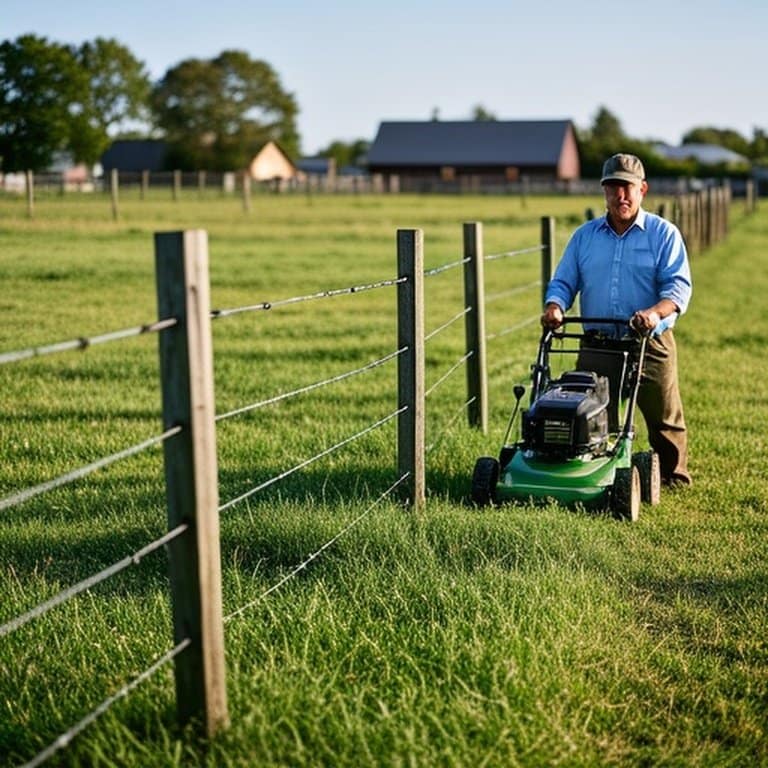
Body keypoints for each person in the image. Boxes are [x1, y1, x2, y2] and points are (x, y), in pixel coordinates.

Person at [541, 153, 693, 486]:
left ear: (643, 190)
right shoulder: (585, 236)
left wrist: (654, 313)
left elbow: (678, 290)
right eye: (612, 188)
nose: (620, 196)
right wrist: (555, 305)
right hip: (598, 342)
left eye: (627, 188)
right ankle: (593, 476)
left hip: (649, 341)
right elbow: (564, 281)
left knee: (665, 416)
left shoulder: (663, 235)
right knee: (591, 413)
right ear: (604, 191)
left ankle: (673, 475)